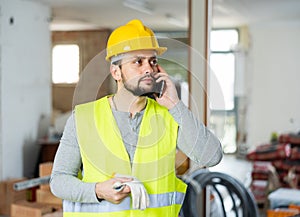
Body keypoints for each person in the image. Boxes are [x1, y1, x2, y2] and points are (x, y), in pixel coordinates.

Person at [50, 19, 223, 217]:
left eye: (153, 61)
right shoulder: (83, 118)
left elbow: (212, 157)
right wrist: (98, 191)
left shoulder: (169, 116)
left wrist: (176, 105)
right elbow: (59, 181)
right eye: (137, 62)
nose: (148, 69)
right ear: (116, 72)